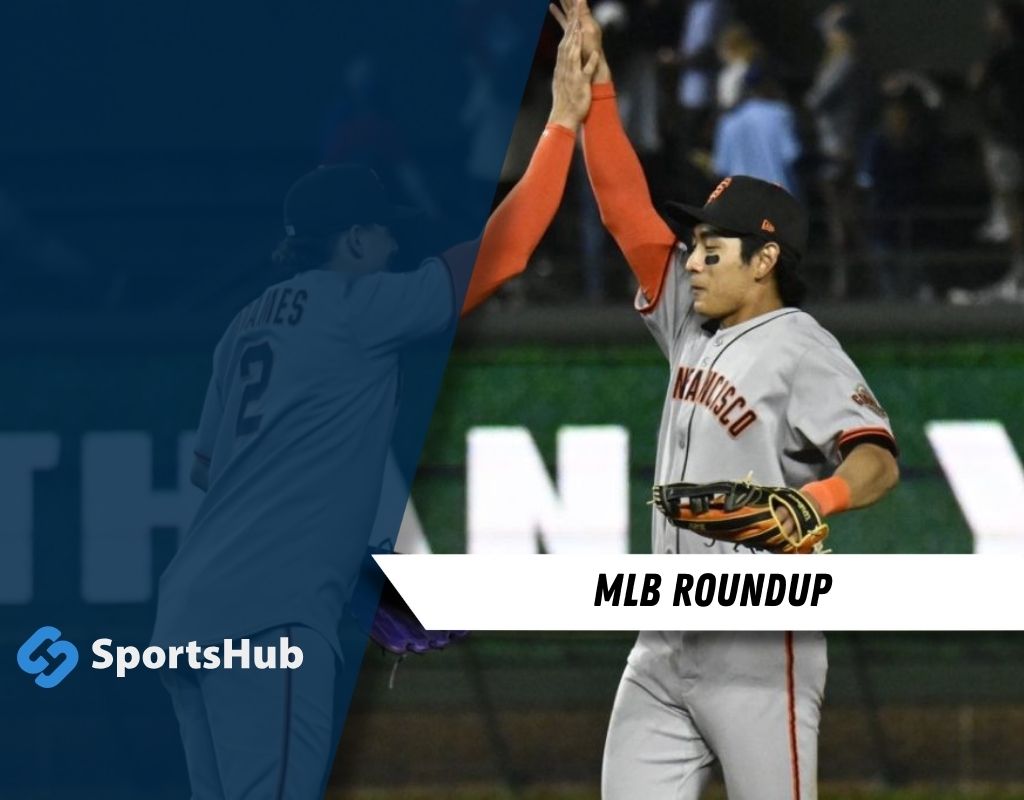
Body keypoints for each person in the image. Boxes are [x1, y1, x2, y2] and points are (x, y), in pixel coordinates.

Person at [150, 8, 599, 797]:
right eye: (385, 237)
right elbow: (508, 250)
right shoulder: (356, 307)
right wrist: (561, 120)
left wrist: (355, 578)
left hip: (188, 618)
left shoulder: (243, 328)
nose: (396, 249)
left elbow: (221, 480)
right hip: (272, 622)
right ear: (354, 242)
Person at [551, 2, 900, 797]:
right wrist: (600, 90)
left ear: (767, 256)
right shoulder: (689, 320)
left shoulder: (801, 344)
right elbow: (628, 216)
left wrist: (820, 501)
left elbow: (877, 457)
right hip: (664, 638)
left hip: (756, 638)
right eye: (696, 247)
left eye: (714, 248)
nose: (695, 261)